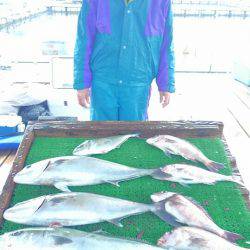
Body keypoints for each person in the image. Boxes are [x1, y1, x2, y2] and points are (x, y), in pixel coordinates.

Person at [74, 0, 175, 121]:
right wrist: (82, 83)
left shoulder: (162, 2)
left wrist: (165, 84)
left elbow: (166, 46)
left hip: (138, 84)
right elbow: (84, 41)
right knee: (101, 134)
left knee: (133, 134)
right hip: (102, 83)